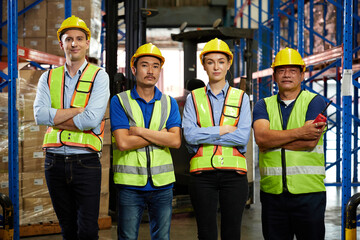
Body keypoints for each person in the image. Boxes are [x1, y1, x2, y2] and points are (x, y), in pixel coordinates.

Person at [33, 15, 110, 240]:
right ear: (62, 44)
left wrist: (55, 118)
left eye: (79, 39)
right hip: (53, 162)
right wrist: (77, 111)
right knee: (67, 230)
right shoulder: (47, 78)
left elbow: (92, 120)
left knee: (87, 232)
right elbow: (39, 115)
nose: (73, 43)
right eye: (68, 39)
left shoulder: (99, 76)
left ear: (87, 43)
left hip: (85, 162)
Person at [252, 47, 327, 240]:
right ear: (275, 75)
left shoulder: (315, 102)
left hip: (309, 193)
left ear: (302, 75)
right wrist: (301, 132)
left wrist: (272, 141)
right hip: (272, 195)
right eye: (281, 70)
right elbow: (261, 138)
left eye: (293, 70)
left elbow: (310, 142)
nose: (287, 75)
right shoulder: (263, 105)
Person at [110, 43, 181, 240]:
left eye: (155, 66)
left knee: (162, 238)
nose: (150, 71)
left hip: (163, 185)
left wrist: (140, 132)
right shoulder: (120, 101)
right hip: (130, 186)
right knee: (127, 237)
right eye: (144, 65)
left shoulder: (169, 102)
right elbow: (123, 143)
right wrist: (160, 135)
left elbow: (175, 141)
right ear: (134, 69)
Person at [182, 38, 251, 240]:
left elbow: (242, 137)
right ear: (203, 65)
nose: (216, 66)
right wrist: (222, 130)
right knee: (206, 233)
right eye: (210, 61)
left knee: (232, 233)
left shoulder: (241, 97)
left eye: (221, 61)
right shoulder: (193, 98)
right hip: (202, 176)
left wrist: (206, 134)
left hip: (234, 175)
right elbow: (189, 135)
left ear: (228, 64)